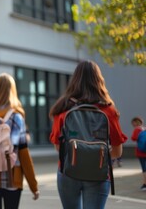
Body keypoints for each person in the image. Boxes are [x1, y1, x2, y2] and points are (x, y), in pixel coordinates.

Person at [49, 60, 128, 209]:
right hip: (98, 174)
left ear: (75, 79)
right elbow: (117, 151)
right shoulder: (108, 109)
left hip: (68, 172)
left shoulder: (63, 107)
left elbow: (58, 148)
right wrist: (96, 155)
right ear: (98, 80)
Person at [0, 73, 39, 209]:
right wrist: (33, 186)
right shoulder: (17, 118)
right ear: (12, 91)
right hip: (12, 178)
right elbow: (23, 153)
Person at [130, 116, 146, 191]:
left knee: (144, 168)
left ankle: (145, 184)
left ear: (135, 122)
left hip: (141, 152)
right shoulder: (144, 128)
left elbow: (133, 138)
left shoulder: (137, 129)